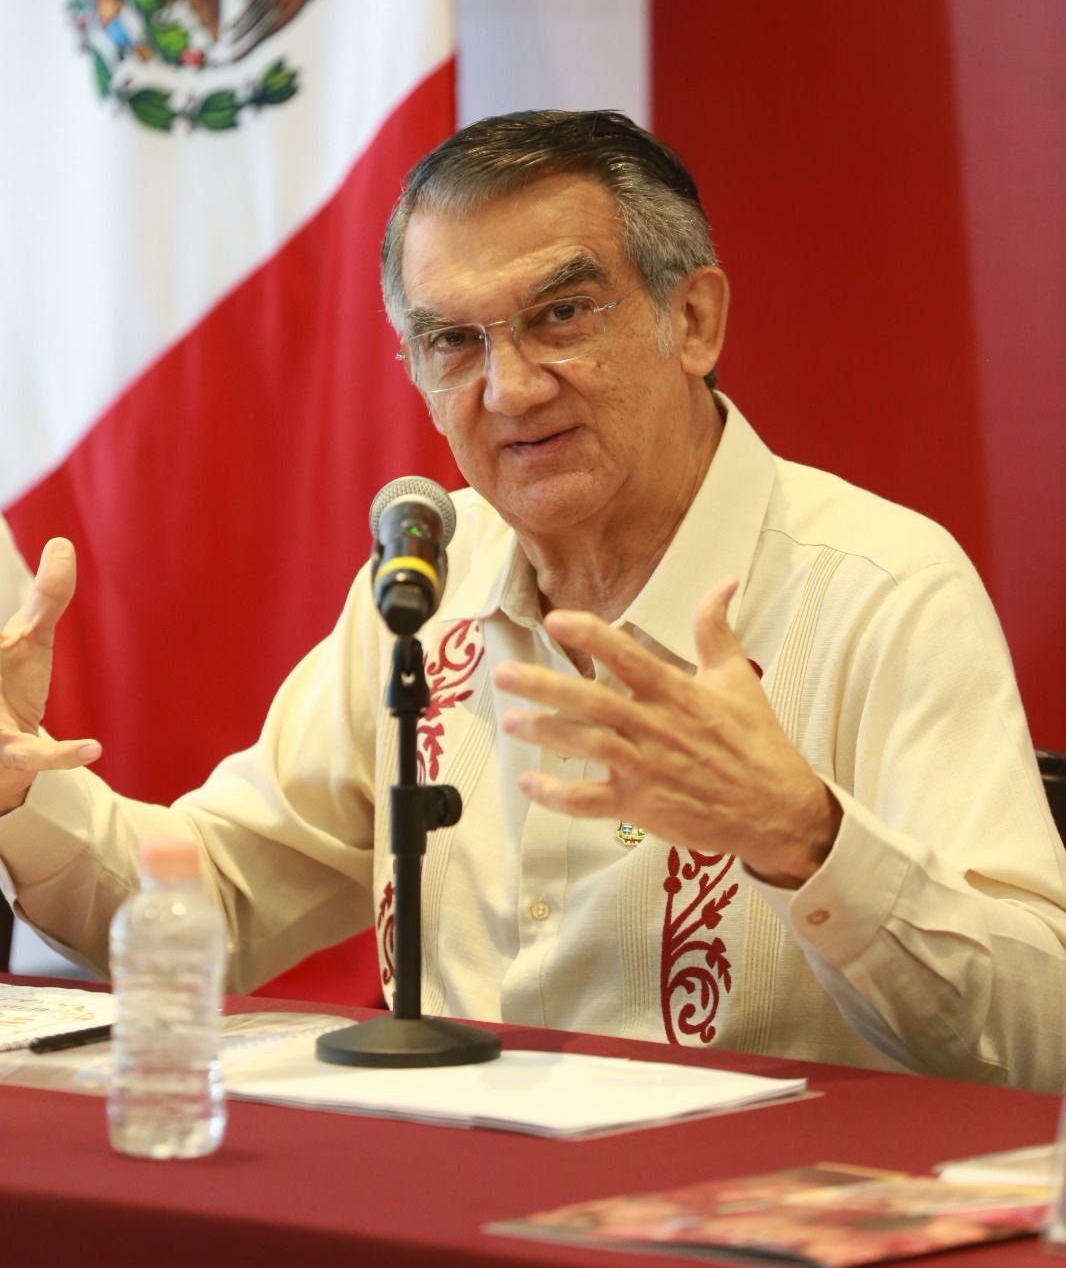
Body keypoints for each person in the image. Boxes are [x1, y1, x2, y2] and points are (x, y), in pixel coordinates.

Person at [1, 110, 1064, 1090]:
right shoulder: (424, 582)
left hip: (746, 1205)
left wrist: (807, 839)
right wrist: (18, 787)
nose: (509, 388)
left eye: (560, 316)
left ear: (693, 319)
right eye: (452, 342)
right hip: (450, 1192)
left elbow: (1043, 1035)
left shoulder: (878, 590)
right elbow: (213, 905)